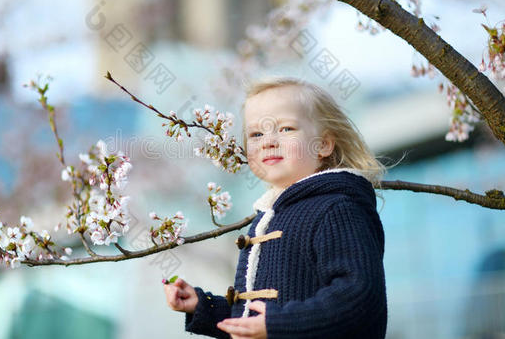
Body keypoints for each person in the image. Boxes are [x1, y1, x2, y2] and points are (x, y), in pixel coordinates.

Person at [163, 77, 389, 338]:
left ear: (324, 144)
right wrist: (203, 306)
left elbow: (357, 297)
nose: (268, 141)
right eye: (257, 134)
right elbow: (261, 315)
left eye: (286, 129)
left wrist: (279, 324)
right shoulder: (271, 215)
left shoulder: (337, 208)